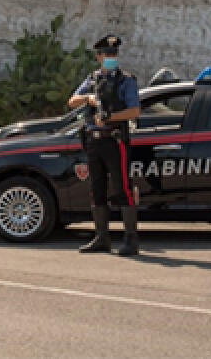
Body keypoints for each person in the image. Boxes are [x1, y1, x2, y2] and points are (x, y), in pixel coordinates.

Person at [68, 34, 141, 256]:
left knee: (122, 188)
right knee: (96, 189)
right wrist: (88, 98)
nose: (111, 57)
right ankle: (102, 237)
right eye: (107, 54)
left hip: (114, 139)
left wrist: (111, 117)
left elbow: (134, 110)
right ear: (98, 57)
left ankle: (130, 240)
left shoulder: (126, 80)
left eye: (114, 54)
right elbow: (72, 101)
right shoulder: (92, 80)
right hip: (94, 141)